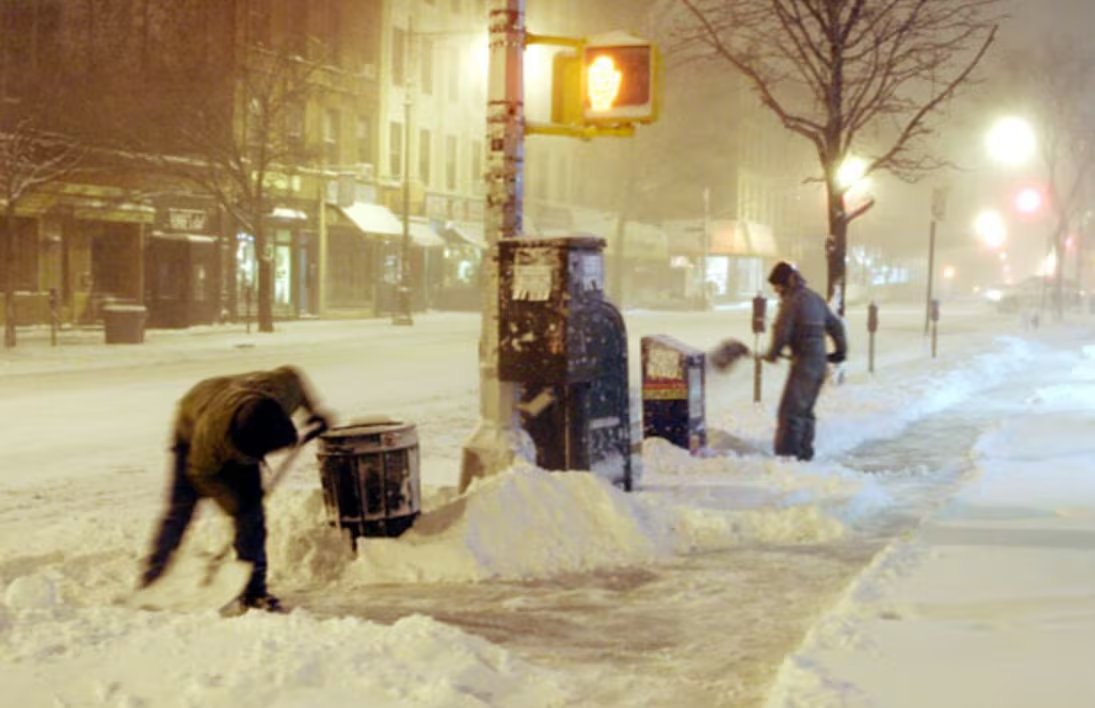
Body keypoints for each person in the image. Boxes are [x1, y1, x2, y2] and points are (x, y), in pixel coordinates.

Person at [140, 365, 331, 612]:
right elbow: (201, 475)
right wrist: (236, 505)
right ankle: (152, 581)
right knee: (182, 508)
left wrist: (314, 410)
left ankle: (253, 592)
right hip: (192, 425)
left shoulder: (281, 392)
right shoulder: (210, 443)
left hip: (230, 407)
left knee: (252, 516)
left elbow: (293, 374)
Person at [761, 262, 847, 461]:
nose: (776, 291)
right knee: (805, 410)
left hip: (805, 362)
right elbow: (836, 326)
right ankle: (805, 454)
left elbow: (782, 331)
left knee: (790, 412)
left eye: (777, 286)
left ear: (784, 282)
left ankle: (788, 458)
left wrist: (773, 353)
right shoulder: (815, 298)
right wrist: (840, 352)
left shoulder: (793, 301)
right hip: (818, 363)